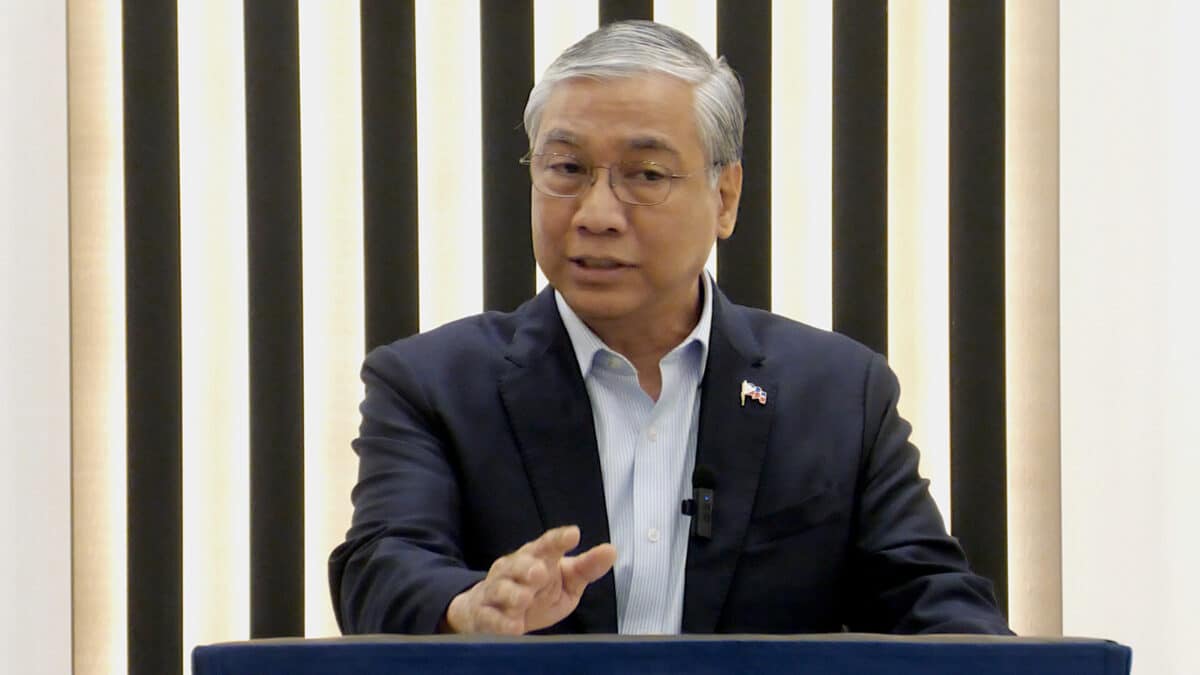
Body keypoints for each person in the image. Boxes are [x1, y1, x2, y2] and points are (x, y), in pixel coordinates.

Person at [329, 20, 1011, 637]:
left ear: (725, 196)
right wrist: (470, 604)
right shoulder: (432, 384)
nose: (596, 212)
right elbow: (382, 563)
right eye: (566, 168)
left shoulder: (839, 394)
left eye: (645, 174)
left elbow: (930, 597)